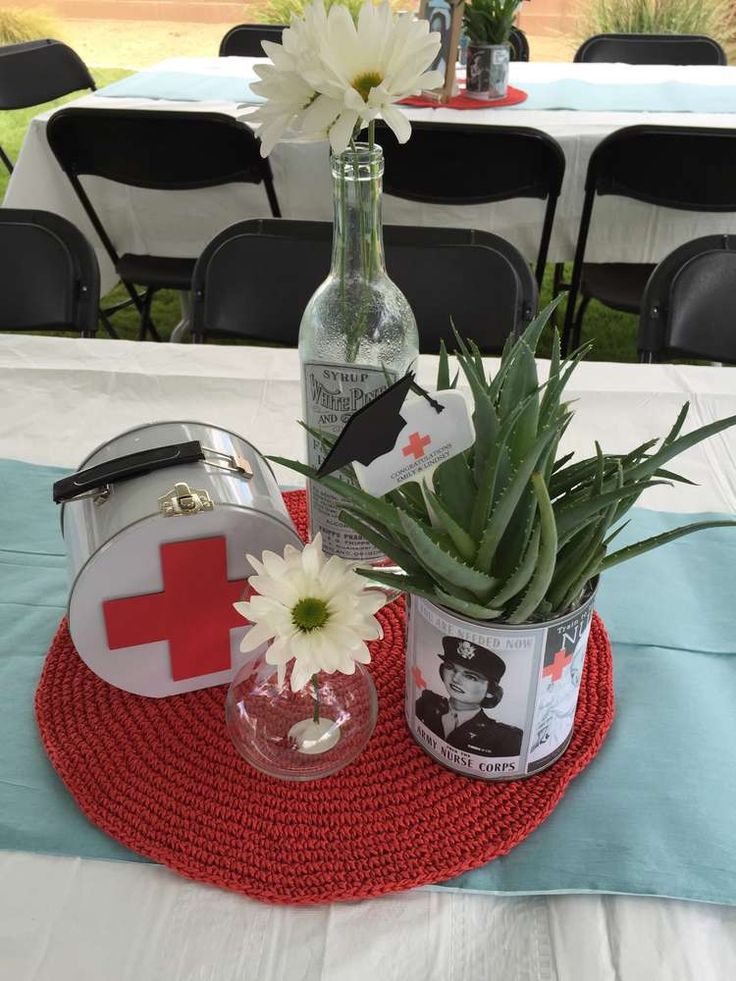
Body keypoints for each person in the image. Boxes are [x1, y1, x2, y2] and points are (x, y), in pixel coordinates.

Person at [415, 637, 523, 757]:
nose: (455, 679)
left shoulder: (505, 738)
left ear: (490, 691)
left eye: (471, 677)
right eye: (451, 668)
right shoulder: (427, 703)